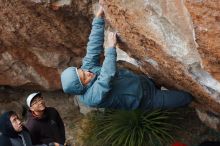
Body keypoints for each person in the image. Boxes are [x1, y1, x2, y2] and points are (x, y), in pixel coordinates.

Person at [60, 2, 193, 110]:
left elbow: (93, 48)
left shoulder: (88, 69)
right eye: (84, 77)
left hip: (142, 81)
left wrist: (98, 19)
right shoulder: (91, 98)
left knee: (165, 84)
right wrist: (111, 49)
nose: (87, 72)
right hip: (146, 99)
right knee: (185, 98)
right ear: (82, 87)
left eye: (82, 70)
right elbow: (106, 77)